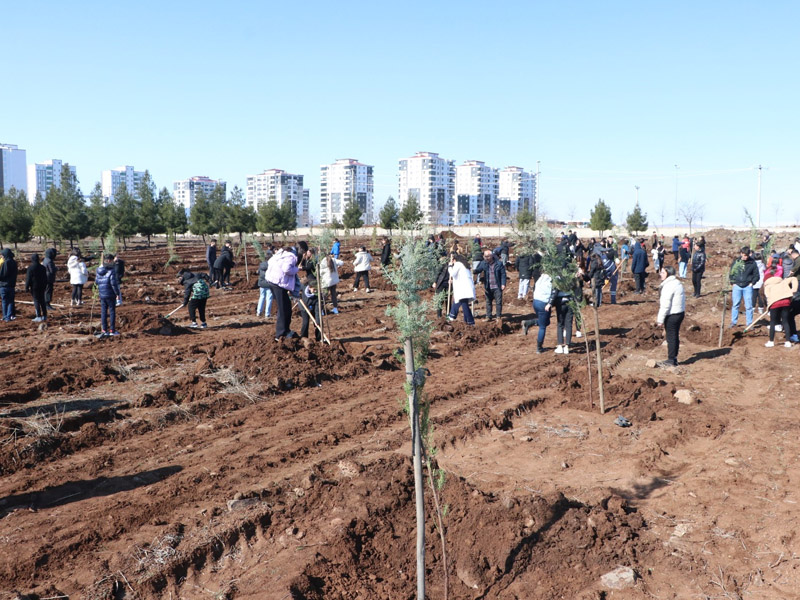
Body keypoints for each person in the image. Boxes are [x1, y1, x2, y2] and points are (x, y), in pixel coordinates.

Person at [265, 245, 299, 341]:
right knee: (284, 309)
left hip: (272, 281)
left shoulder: (279, 254)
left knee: (285, 307)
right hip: (278, 284)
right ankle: (281, 334)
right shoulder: (290, 256)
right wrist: (297, 269)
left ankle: (285, 330)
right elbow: (287, 269)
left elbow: (269, 262)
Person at [656, 265, 685, 367]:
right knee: (675, 335)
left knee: (671, 337)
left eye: (663, 273)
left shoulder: (668, 286)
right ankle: (674, 358)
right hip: (680, 313)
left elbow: (665, 305)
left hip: (672, 314)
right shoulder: (677, 283)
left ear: (668, 274)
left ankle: (671, 360)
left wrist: (660, 320)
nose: (660, 274)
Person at [522, 269, 553, 354]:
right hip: (543, 303)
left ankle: (529, 323)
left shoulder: (541, 277)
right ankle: (539, 348)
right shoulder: (552, 279)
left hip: (536, 302)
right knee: (543, 326)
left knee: (546, 322)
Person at [763, 272, 797, 347]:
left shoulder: (767, 286)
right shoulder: (783, 281)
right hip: (786, 302)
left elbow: (768, 297)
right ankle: (788, 342)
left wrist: (768, 307)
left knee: (772, 322)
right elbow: (794, 278)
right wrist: (793, 290)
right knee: (785, 321)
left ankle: (771, 342)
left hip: (774, 303)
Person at [729, 246, 760, 328]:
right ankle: (733, 322)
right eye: (743, 255)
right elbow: (731, 273)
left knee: (749, 306)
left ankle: (749, 323)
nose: (745, 257)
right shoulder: (736, 262)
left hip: (747, 287)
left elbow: (756, 275)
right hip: (737, 286)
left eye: (746, 255)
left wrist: (752, 283)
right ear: (741, 253)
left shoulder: (752, 263)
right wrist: (733, 282)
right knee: (735, 304)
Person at [474, 249, 506, 320]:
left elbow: (503, 274)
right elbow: (479, 269)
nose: (486, 258)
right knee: (488, 302)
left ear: (491, 256)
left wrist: (503, 284)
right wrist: (474, 271)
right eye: (485, 256)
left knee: (498, 302)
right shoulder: (484, 263)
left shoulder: (499, 263)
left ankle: (498, 316)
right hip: (488, 286)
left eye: (488, 256)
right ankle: (488, 316)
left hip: (497, 286)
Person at [95, 254, 121, 336]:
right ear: (109, 260)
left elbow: (96, 282)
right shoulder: (111, 271)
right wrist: (117, 293)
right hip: (110, 294)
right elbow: (113, 284)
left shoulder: (98, 270)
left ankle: (104, 330)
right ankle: (112, 330)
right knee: (112, 312)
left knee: (103, 312)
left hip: (102, 295)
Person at [446, 253, 475, 325]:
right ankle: (467, 321)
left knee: (462, 303)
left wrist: (450, 266)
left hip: (463, 289)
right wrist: (453, 281)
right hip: (465, 288)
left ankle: (469, 321)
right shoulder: (464, 265)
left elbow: (452, 273)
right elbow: (461, 276)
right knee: (461, 303)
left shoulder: (458, 264)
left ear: (454, 260)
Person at [25, 253, 48, 323]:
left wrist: (26, 287)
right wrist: (45, 285)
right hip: (42, 286)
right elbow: (45, 278)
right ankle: (44, 315)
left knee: (36, 300)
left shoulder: (30, 268)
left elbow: (28, 279)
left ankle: (38, 316)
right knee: (42, 300)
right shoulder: (43, 267)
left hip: (34, 287)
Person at [0, 249, 18, 321]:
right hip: (11, 285)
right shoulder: (14, 262)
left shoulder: (6, 263)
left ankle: (5, 316)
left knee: (4, 301)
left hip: (4, 285)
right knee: (10, 301)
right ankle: (9, 316)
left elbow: (2, 275)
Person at [256, 253, 274, 319]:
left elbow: (258, 272)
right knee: (269, 298)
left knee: (262, 297)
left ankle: (258, 312)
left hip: (261, 283)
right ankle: (267, 314)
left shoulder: (261, 264)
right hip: (268, 284)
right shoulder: (271, 265)